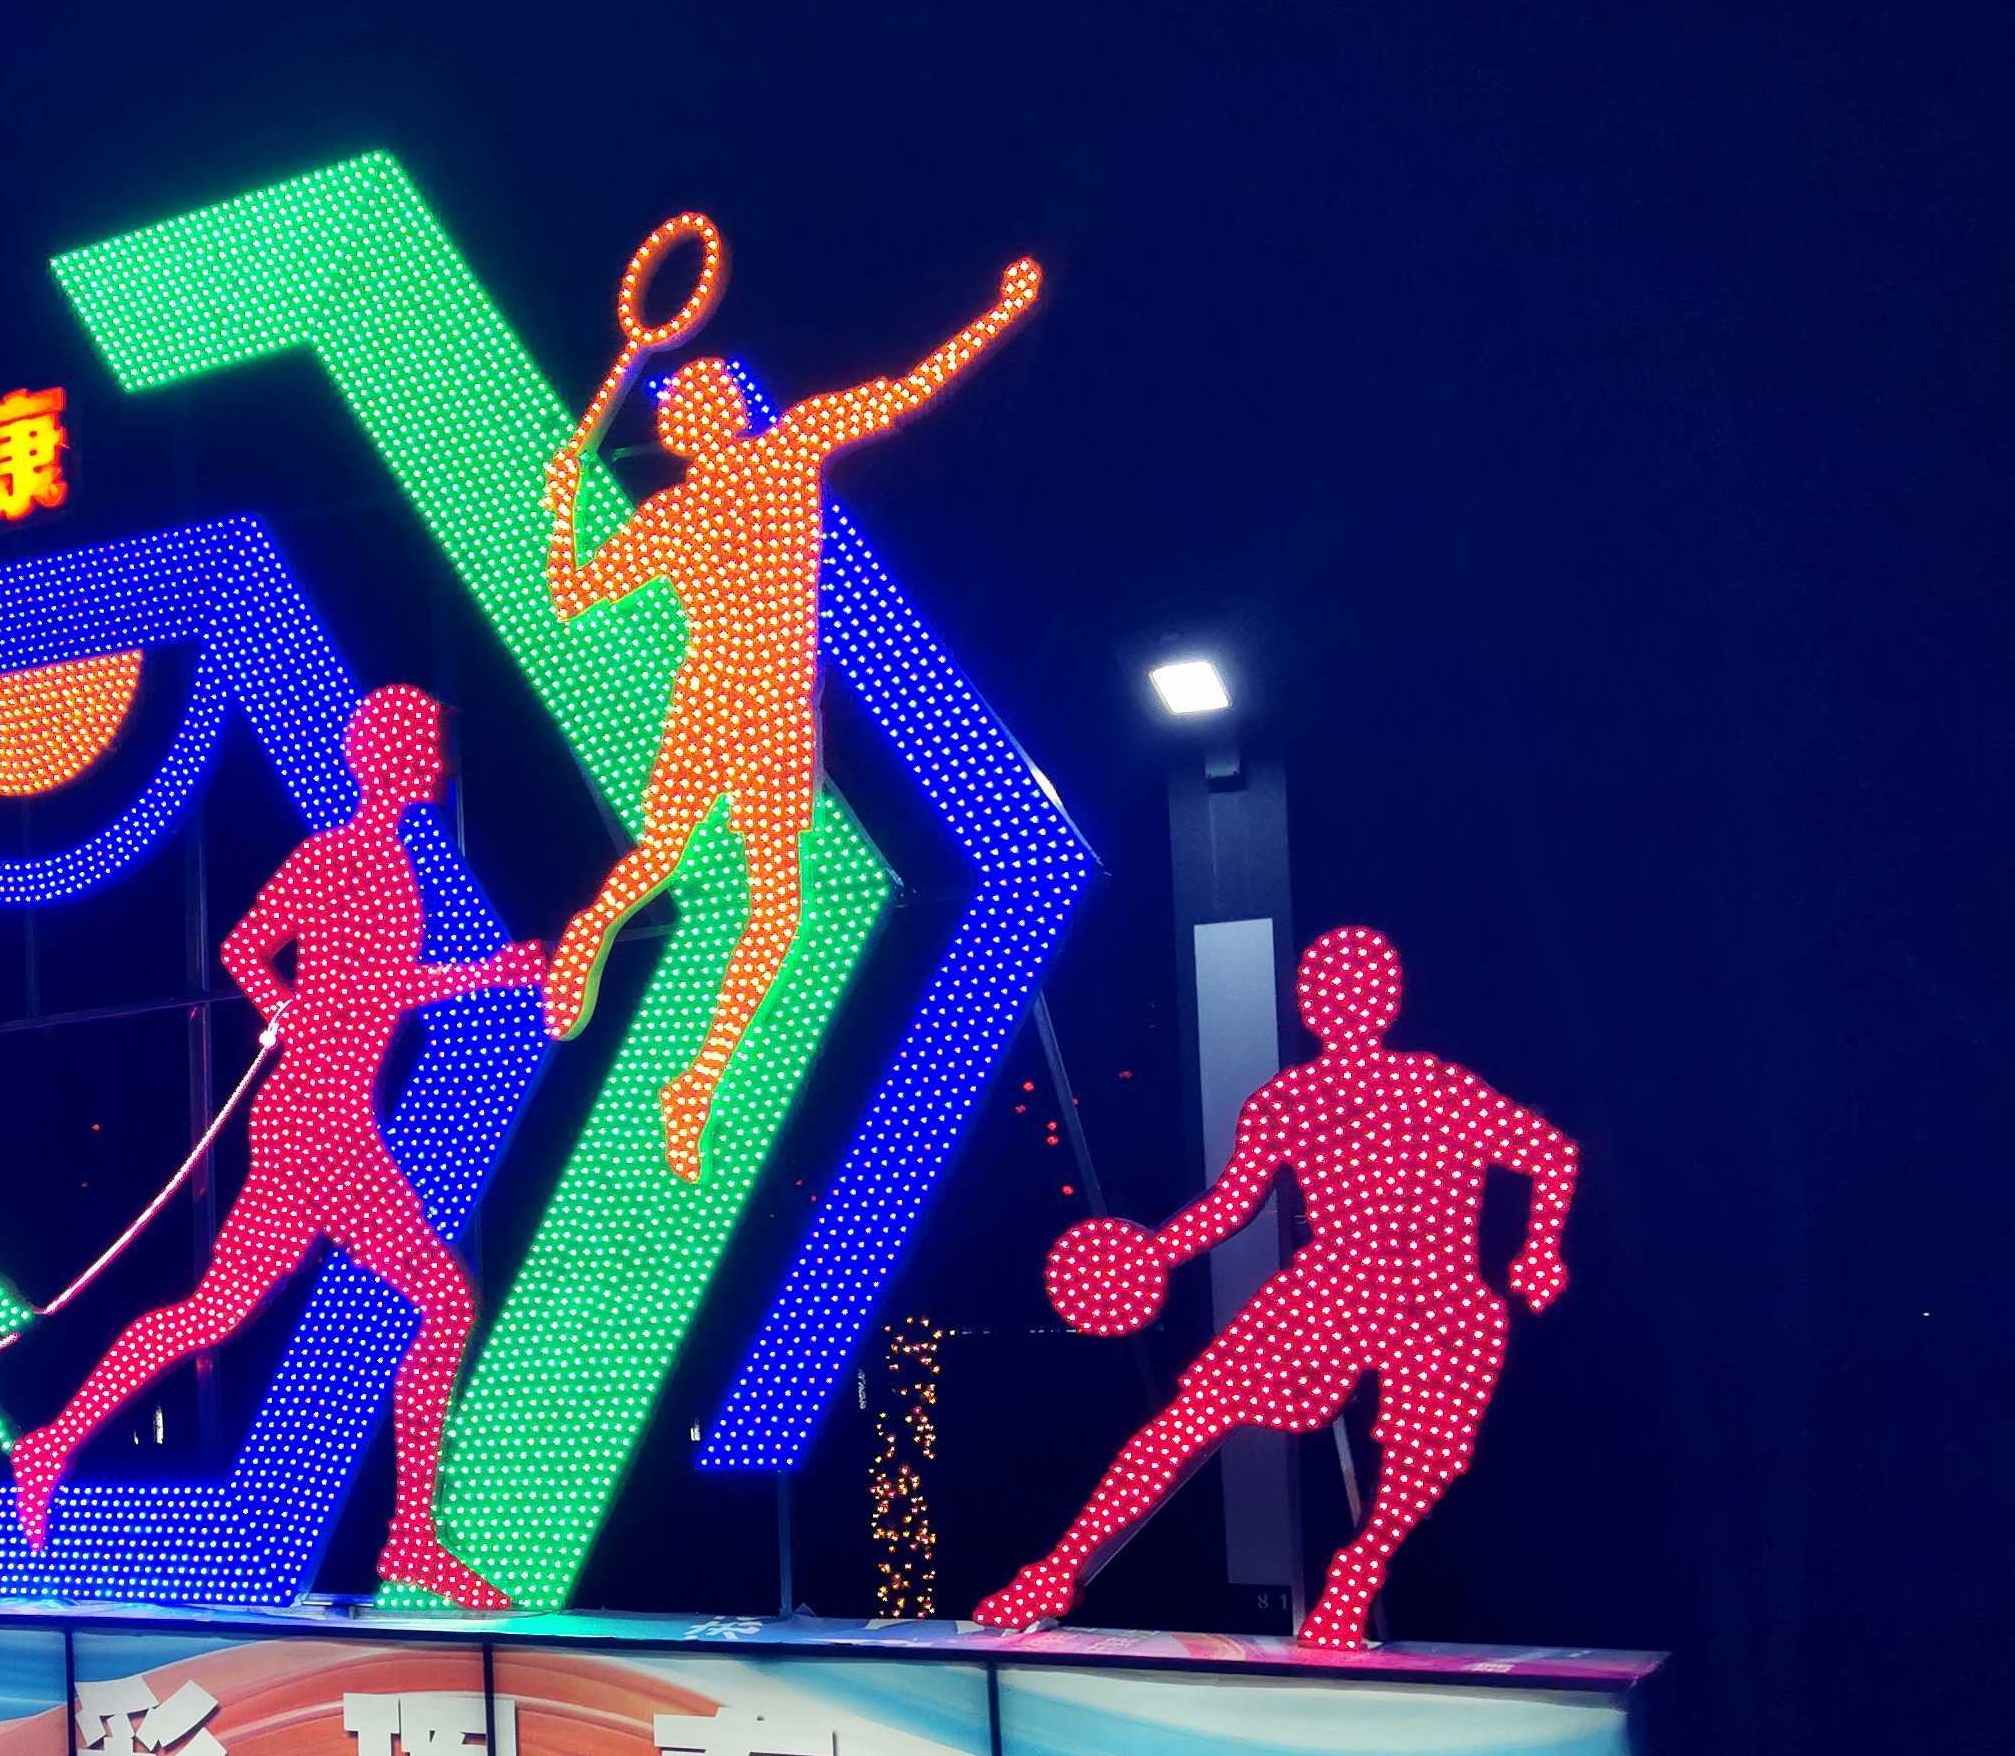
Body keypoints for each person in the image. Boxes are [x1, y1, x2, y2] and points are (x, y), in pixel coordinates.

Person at [11, 687, 540, 1608]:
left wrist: (470, 976)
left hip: (321, 1120)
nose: (440, 761)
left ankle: (51, 1442)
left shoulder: (380, 864)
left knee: (214, 1313)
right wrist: (288, 1002)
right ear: (389, 757)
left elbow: (353, 982)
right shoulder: (339, 858)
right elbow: (252, 951)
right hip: (318, 1125)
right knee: (440, 1299)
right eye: (425, 744)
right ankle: (410, 1537)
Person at [542, 259, 1041, 1178]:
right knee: (757, 900)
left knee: (715, 880)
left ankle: (675, 1053)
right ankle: (662, 1032)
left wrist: (564, 502)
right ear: (699, 421)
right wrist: (999, 309)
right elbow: (907, 389)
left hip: (739, 705)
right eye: (705, 394)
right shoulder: (763, 462)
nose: (719, 398)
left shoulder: (705, 493)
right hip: (752, 704)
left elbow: (569, 588)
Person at [973, 927, 1579, 1651]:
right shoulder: (1286, 1100)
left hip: (1437, 1296)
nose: (1341, 1004)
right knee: (1191, 1418)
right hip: (1333, 1287)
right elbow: (1233, 1203)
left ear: (1384, 998)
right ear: (1310, 1005)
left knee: (1425, 1450)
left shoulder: (1436, 1087)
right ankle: (1058, 1569)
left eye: (1353, 989)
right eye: (1326, 990)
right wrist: (1159, 1251)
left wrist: (1541, 1249)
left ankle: (1358, 1574)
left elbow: (1551, 1154)